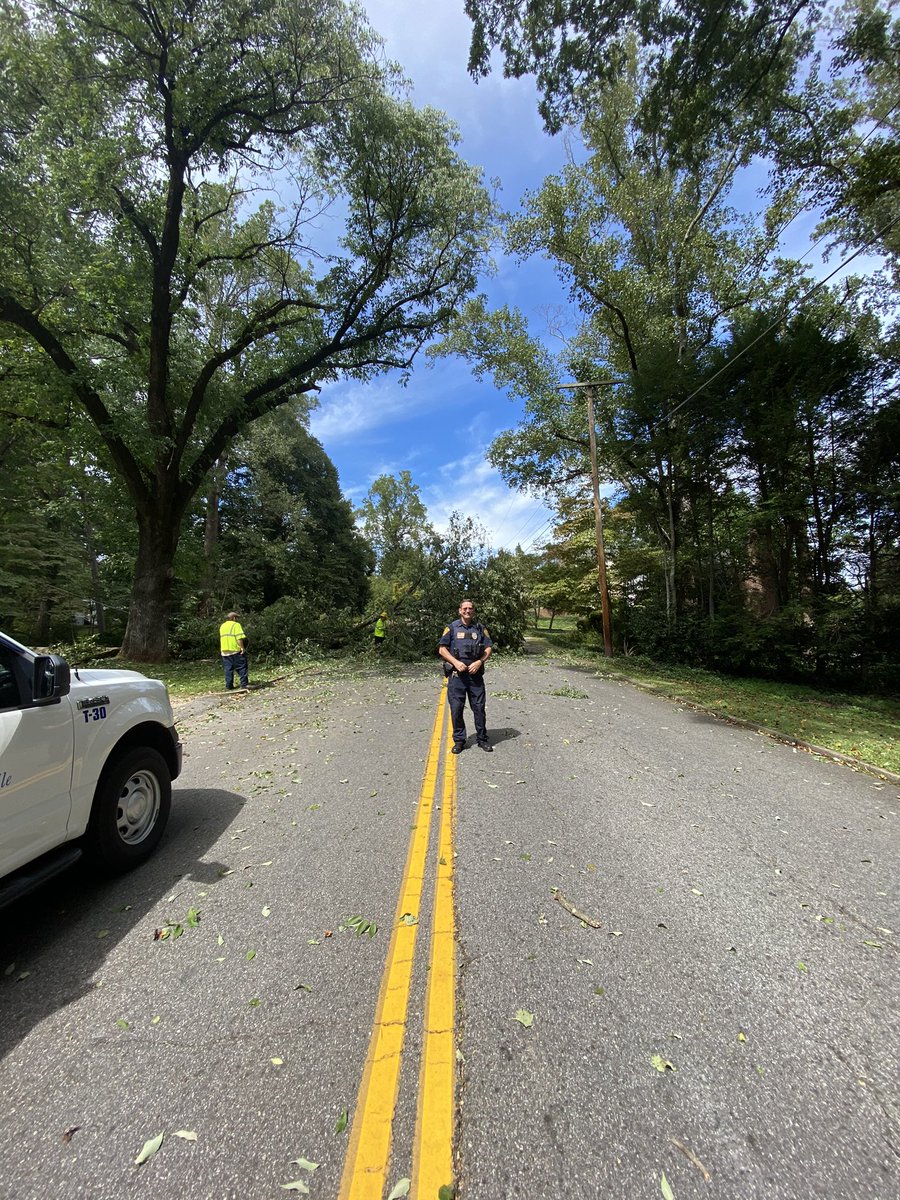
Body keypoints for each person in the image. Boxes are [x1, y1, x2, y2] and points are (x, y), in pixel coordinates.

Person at [438, 598, 493, 753]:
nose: (468, 611)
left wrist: (480, 662)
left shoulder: (480, 628)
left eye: (470, 608)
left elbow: (488, 648)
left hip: (475, 677)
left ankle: (482, 739)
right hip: (457, 677)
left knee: (479, 708)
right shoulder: (452, 628)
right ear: (460, 610)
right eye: (465, 608)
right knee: (456, 709)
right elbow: (442, 649)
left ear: (473, 610)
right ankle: (459, 741)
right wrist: (456, 662)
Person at [219, 611, 249, 691]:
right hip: (235, 650)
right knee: (242, 667)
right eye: (236, 618)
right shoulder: (236, 625)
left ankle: (229, 686)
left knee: (228, 669)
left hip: (225, 651)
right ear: (234, 618)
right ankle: (244, 684)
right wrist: (242, 648)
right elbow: (239, 638)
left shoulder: (222, 626)